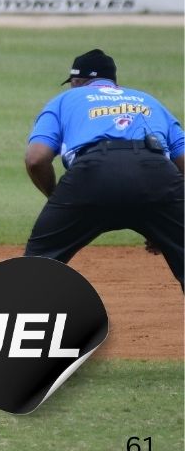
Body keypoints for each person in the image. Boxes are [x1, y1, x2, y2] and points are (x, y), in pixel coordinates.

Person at [23, 48, 184, 286]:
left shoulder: (65, 100)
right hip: (156, 173)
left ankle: (21, 318)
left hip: (91, 175)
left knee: (36, 266)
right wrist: (166, 220)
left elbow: (35, 159)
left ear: (77, 81)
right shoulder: (148, 100)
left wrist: (58, 198)